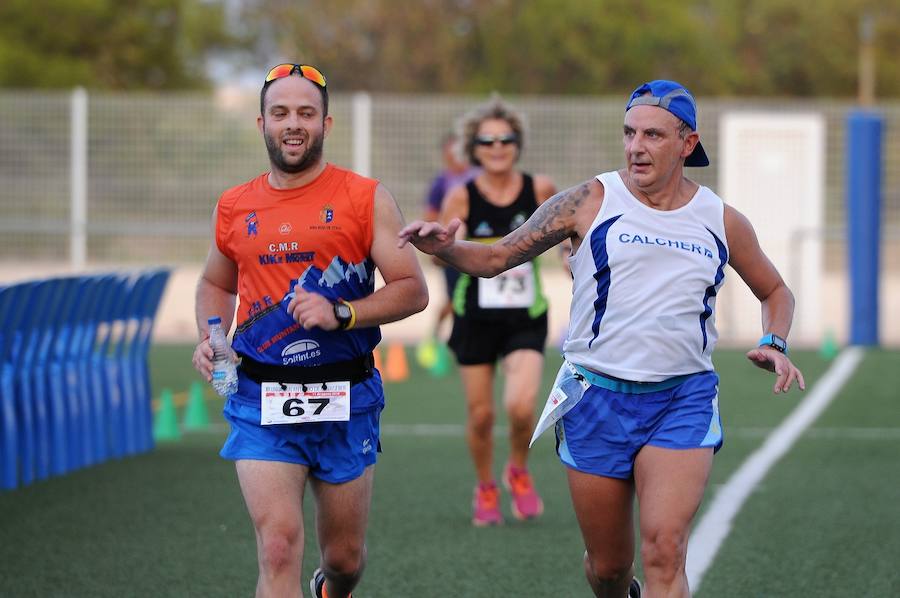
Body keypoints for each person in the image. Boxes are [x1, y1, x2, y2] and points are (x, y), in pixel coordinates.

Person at [399, 80, 805, 597]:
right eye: (629, 133)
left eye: (653, 135)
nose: (636, 146)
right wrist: (447, 249)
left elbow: (775, 290)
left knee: (664, 551)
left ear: (687, 142)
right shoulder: (589, 200)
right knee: (609, 568)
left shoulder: (720, 219)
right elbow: (498, 257)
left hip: (682, 398)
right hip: (595, 397)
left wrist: (775, 340)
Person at [192, 63, 428, 598]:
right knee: (277, 546)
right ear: (261, 124)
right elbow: (215, 282)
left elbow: (412, 288)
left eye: (305, 113)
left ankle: (333, 586)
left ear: (326, 123)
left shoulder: (364, 198)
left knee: (344, 560)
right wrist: (211, 336)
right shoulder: (233, 205)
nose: (292, 124)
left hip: (347, 394)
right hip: (260, 395)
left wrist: (342, 313)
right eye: (280, 113)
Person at [439, 95, 557, 526]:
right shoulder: (461, 196)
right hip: (475, 316)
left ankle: (518, 470)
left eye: (505, 138)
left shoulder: (539, 189)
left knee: (522, 406)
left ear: (517, 143)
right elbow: (443, 251)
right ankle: (486, 485)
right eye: (487, 140)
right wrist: (451, 248)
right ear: (474, 148)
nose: (497, 146)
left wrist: (569, 255)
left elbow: (570, 230)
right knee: (482, 415)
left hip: (525, 315)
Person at [422, 133, 479, 339]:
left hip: (479, 248)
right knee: (454, 297)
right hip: (452, 250)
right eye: (450, 152)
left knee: (475, 295)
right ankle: (436, 335)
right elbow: (430, 215)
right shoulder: (441, 182)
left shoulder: (478, 177)